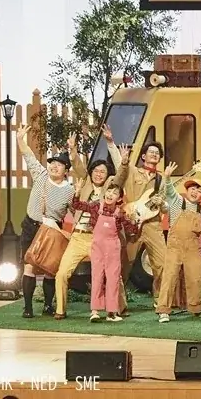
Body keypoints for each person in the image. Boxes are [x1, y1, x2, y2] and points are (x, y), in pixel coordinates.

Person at [55, 127, 129, 319]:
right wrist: (72, 149)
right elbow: (77, 165)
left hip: (101, 238)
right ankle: (60, 310)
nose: (99, 174)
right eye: (96, 171)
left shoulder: (110, 186)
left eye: (102, 171)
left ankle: (119, 308)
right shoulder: (85, 181)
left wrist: (122, 158)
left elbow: (121, 176)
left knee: (113, 275)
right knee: (62, 273)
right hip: (79, 237)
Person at [16, 124, 75, 318]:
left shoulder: (70, 191)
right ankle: (27, 308)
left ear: (66, 170)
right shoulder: (40, 175)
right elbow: (28, 155)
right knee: (29, 266)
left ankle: (48, 305)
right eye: (52, 163)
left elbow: (76, 212)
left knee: (50, 268)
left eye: (59, 164)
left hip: (52, 231)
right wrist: (20, 139)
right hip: (31, 226)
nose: (54, 166)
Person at [157, 164, 201, 322]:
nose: (195, 192)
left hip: (193, 247)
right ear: (187, 190)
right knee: (169, 277)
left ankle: (198, 308)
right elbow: (169, 191)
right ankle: (164, 310)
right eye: (192, 188)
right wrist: (167, 177)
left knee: (196, 277)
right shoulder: (178, 201)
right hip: (175, 246)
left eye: (199, 190)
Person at [70, 181, 140, 322]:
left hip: (113, 248)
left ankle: (111, 313)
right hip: (98, 247)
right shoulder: (96, 206)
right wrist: (77, 192)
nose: (110, 194)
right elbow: (77, 205)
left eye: (114, 193)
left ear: (119, 198)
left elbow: (131, 231)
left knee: (113, 279)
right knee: (97, 277)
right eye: (109, 191)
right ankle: (95, 311)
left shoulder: (120, 213)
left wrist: (134, 220)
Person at [121, 141, 168, 307]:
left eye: (157, 153)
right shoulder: (133, 171)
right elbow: (121, 171)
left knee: (162, 263)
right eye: (151, 151)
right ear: (143, 156)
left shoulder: (161, 179)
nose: (154, 154)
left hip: (153, 224)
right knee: (125, 263)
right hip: (132, 222)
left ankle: (159, 301)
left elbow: (165, 206)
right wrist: (112, 145)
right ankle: (118, 303)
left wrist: (162, 203)